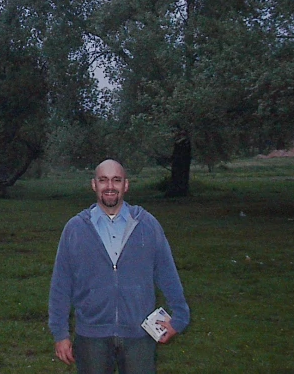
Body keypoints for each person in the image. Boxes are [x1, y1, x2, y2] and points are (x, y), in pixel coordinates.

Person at [48, 159, 190, 373]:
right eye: (103, 180)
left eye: (116, 180)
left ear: (126, 185)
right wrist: (60, 333)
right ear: (94, 185)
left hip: (138, 335)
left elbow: (166, 272)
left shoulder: (147, 225)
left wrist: (179, 317)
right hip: (91, 336)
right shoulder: (75, 229)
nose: (110, 186)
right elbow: (61, 283)